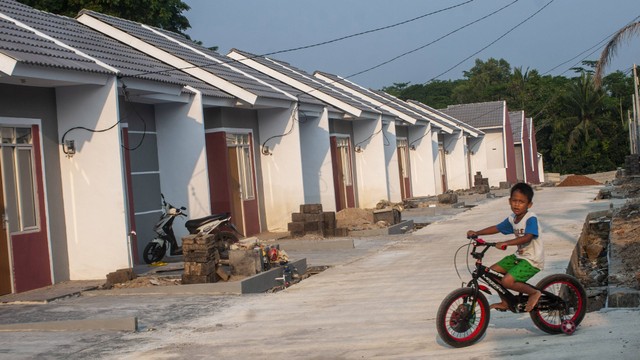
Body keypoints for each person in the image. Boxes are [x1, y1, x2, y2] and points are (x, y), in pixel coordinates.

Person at [466, 183, 543, 312]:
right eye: (514, 201)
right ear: (509, 201)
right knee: (491, 274)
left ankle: (534, 293)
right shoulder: (512, 218)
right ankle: (505, 302)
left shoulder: (531, 219)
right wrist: (477, 233)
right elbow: (497, 228)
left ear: (529, 205)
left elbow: (528, 237)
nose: (517, 204)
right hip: (520, 256)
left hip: (532, 260)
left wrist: (506, 243)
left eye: (521, 202)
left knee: (507, 282)